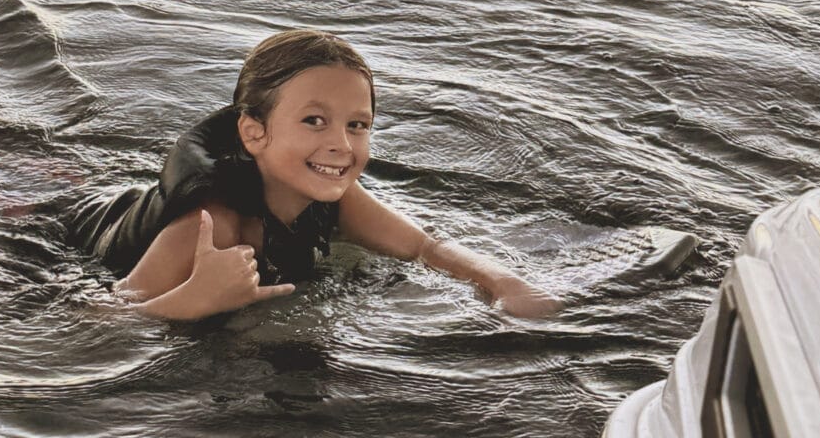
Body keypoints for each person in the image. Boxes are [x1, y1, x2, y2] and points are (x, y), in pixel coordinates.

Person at [72, 29, 558, 323]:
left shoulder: (337, 195)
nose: (341, 146)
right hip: (89, 224)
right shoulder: (211, 226)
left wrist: (506, 282)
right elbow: (97, 320)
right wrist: (191, 301)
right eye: (314, 120)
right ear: (253, 131)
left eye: (357, 125)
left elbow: (424, 247)